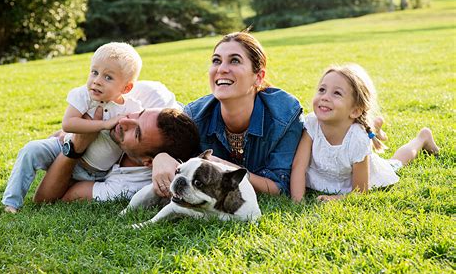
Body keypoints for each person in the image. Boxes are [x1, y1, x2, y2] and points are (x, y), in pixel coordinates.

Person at [152, 31, 304, 197]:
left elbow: (280, 187)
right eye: (216, 61)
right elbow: (175, 158)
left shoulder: (284, 115)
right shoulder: (195, 116)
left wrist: (224, 167)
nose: (222, 69)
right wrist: (161, 157)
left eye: (235, 60)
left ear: (258, 77)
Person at [2, 42, 145, 213]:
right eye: (94, 72)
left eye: (108, 77)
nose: (97, 81)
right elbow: (68, 124)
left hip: (96, 173)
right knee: (30, 149)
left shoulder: (132, 109)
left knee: (60, 195)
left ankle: (63, 183)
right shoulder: (83, 95)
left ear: (126, 87)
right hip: (62, 148)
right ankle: (11, 202)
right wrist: (103, 124)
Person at [290, 64, 439, 202]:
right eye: (322, 90)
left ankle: (422, 138)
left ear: (355, 110)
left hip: (362, 171)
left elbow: (360, 191)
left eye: (336, 93)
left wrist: (335, 199)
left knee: (395, 163)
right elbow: (299, 166)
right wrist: (297, 201)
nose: (325, 97)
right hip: (326, 173)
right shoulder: (312, 123)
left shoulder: (357, 139)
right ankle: (375, 127)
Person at [32, 106, 199, 205]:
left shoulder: (125, 187)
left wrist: (76, 146)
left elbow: (50, 198)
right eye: (138, 114)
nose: (123, 122)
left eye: (136, 132)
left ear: (147, 162)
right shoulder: (154, 113)